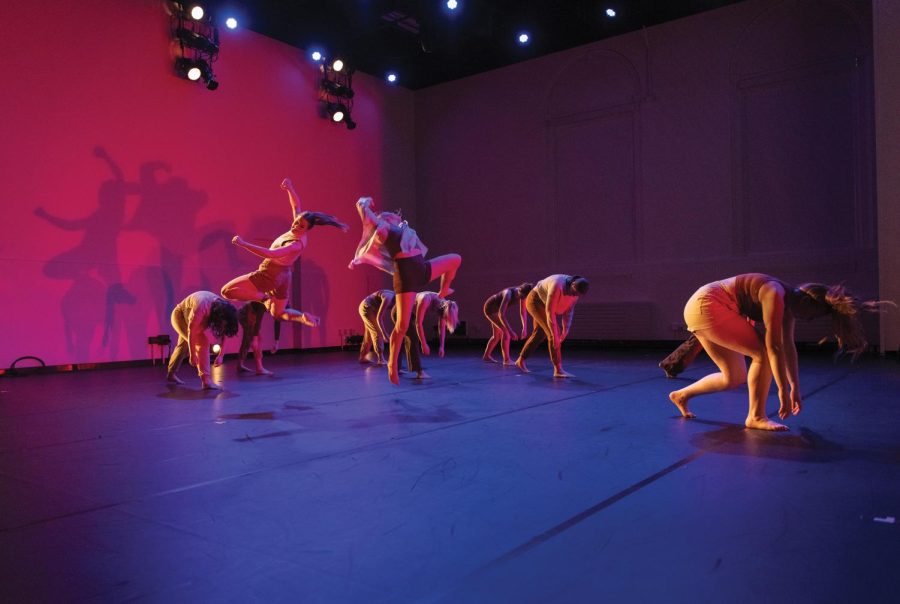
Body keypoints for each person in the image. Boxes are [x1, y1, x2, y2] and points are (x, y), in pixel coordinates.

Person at [668, 273, 888, 430]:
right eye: (812, 314)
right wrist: (781, 390)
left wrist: (794, 388)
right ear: (806, 301)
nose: (809, 320)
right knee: (762, 354)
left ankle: (681, 395)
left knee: (733, 377)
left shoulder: (788, 304)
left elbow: (788, 347)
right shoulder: (774, 293)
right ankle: (756, 417)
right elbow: (773, 347)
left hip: (704, 307)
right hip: (709, 305)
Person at [349, 197, 462, 385]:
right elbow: (365, 212)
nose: (397, 216)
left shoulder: (403, 230)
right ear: (385, 219)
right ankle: (392, 364)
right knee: (401, 325)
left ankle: (443, 290)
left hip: (422, 268)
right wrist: (366, 204)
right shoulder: (384, 229)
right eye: (392, 216)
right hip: (406, 274)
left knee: (455, 259)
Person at [221, 178, 347, 327]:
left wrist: (243, 244)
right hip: (285, 276)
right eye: (296, 222)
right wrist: (290, 188)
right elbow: (296, 206)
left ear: (306, 230)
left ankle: (264, 299)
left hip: (270, 274)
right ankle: (302, 317)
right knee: (278, 314)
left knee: (227, 291)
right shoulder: (298, 228)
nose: (295, 226)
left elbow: (270, 254)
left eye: (300, 226)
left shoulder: (296, 243)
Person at [515, 275, 590, 378]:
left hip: (545, 303)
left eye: (577, 295)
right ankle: (558, 369)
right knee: (553, 333)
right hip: (535, 301)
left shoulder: (575, 293)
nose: (573, 295)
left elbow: (569, 312)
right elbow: (550, 312)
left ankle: (520, 360)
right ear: (572, 284)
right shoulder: (557, 285)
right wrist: (555, 335)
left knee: (540, 334)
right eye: (573, 292)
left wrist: (566, 330)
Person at [166, 291, 239, 389]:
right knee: (201, 343)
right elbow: (191, 331)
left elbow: (225, 333)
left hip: (194, 317)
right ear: (218, 317)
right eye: (222, 324)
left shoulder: (225, 310)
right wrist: (192, 355)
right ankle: (206, 381)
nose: (222, 326)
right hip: (179, 316)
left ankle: (171, 374)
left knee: (183, 346)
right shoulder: (202, 306)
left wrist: (221, 355)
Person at [482, 282, 533, 364]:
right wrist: (510, 331)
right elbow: (501, 314)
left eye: (524, 297)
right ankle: (506, 360)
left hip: (496, 310)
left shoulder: (523, 295)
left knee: (496, 336)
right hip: (490, 308)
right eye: (522, 297)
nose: (523, 299)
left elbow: (523, 312)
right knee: (506, 333)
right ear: (520, 291)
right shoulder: (508, 294)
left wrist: (524, 327)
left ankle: (486, 356)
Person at [413, 291, 460, 358]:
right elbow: (418, 323)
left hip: (410, 315)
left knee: (411, 337)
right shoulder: (426, 299)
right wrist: (423, 344)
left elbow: (442, 327)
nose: (443, 319)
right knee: (411, 337)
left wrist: (441, 347)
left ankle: (412, 367)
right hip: (402, 309)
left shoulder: (443, 304)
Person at [358, 289, 396, 365]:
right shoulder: (388, 297)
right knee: (377, 332)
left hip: (370, 308)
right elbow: (379, 318)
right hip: (367, 307)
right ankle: (380, 359)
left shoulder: (395, 299)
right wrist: (385, 335)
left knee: (368, 334)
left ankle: (362, 357)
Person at [236, 301, 274, 375]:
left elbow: (277, 319)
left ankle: (240, 364)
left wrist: (277, 341)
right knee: (256, 339)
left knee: (247, 340)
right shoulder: (263, 304)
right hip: (247, 313)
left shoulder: (270, 303)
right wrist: (255, 338)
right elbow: (258, 322)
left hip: (245, 312)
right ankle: (259, 368)